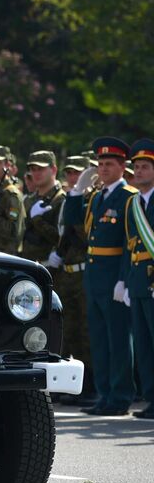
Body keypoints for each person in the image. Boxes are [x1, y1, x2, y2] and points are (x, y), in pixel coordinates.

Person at [61, 137, 137, 416]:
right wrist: (77, 191)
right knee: (100, 339)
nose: (103, 169)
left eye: (109, 164)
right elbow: (74, 223)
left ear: (121, 167)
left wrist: (123, 279)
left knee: (118, 339)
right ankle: (105, 394)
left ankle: (120, 396)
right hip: (94, 276)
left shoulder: (128, 197)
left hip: (114, 275)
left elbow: (130, 242)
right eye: (100, 165)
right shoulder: (97, 196)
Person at [50, 154, 96, 405]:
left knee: (86, 333)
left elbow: (84, 233)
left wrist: (78, 199)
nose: (72, 177)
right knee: (69, 332)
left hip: (84, 270)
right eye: (69, 173)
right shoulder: (72, 199)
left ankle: (90, 385)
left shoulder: (89, 200)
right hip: (67, 271)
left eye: (77, 172)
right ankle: (76, 385)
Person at [123, 139, 154, 419]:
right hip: (138, 280)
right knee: (143, 345)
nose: (139, 171)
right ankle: (151, 397)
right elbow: (129, 245)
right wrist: (125, 280)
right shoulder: (133, 202)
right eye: (137, 167)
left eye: (145, 167)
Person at [21, 150, 64, 264]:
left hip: (49, 268)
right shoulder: (29, 200)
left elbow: (62, 238)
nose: (36, 173)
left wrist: (38, 220)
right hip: (27, 263)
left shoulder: (61, 200)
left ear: (54, 169)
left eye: (41, 169)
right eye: (33, 169)